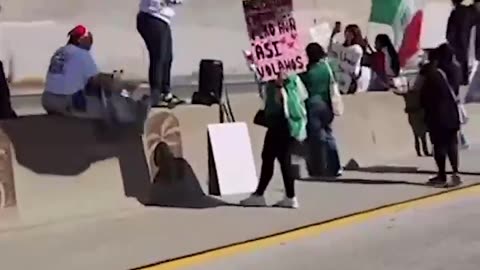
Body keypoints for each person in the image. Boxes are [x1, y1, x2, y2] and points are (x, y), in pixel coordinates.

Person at [42, 25, 149, 124]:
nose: (90, 42)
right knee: (105, 94)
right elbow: (96, 79)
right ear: (80, 40)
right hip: (66, 102)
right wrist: (114, 80)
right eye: (89, 38)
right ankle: (134, 112)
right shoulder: (81, 54)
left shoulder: (60, 52)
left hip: (48, 100)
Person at [241, 73, 308, 209]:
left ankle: (261, 195)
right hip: (292, 124)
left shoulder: (275, 83)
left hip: (279, 124)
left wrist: (277, 87)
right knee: (280, 159)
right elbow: (303, 96)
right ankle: (288, 196)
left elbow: (274, 104)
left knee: (270, 158)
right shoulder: (294, 79)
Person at [420, 44, 462, 187]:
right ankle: (456, 173)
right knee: (452, 144)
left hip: (437, 113)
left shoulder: (432, 73)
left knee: (439, 145)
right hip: (452, 111)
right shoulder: (456, 70)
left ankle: (442, 175)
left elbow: (424, 95)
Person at [300, 43, 342, 177]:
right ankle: (335, 166)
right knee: (329, 136)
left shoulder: (308, 73)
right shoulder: (327, 68)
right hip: (327, 105)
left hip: (313, 106)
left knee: (316, 139)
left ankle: (318, 168)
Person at [137, 0, 184, 108]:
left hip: (162, 19)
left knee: (167, 58)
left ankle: (165, 93)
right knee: (158, 57)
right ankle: (156, 94)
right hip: (151, 17)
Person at [330, 24, 371, 94]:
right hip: (339, 79)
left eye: (350, 33)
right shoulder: (342, 47)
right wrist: (334, 33)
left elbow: (354, 70)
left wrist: (341, 64)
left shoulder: (356, 50)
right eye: (346, 32)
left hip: (349, 82)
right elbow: (332, 46)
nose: (347, 34)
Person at [447, 0, 474, 85]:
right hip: (466, 46)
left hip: (458, 47)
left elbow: (449, 34)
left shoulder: (455, 13)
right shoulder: (468, 13)